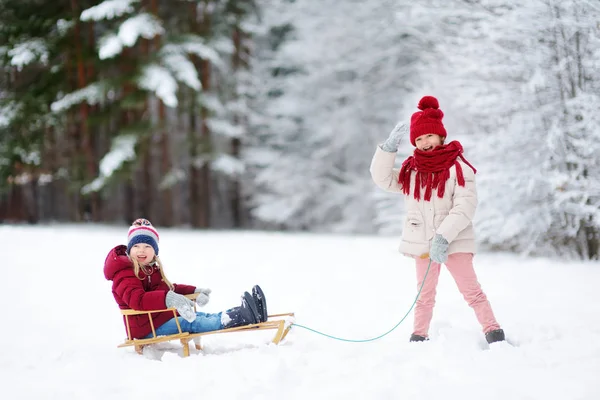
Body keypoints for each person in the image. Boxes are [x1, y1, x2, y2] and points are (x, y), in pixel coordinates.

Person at [369, 96, 505, 345]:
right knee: (424, 294)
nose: (424, 142)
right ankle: (419, 334)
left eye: (429, 136)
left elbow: (466, 205)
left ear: (441, 136)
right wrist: (387, 149)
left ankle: (493, 331)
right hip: (422, 242)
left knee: (471, 291)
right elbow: (382, 179)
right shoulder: (412, 171)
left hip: (454, 240)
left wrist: (443, 236)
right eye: (418, 139)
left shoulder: (458, 167)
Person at [104, 218, 268, 340]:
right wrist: (167, 298)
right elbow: (137, 300)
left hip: (157, 318)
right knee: (191, 323)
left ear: (155, 251)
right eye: (136, 246)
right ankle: (243, 317)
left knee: (202, 316)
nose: (142, 250)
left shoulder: (150, 269)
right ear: (129, 249)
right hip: (145, 328)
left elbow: (168, 289)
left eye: (147, 246)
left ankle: (244, 312)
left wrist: (194, 291)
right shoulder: (124, 273)